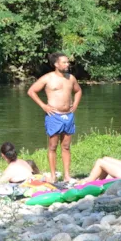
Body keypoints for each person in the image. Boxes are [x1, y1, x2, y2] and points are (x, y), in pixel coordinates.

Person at [27, 52, 83, 183]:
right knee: (52, 146)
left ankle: (67, 175)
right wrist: (43, 106)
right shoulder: (47, 78)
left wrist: (75, 104)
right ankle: (53, 176)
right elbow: (31, 91)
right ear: (56, 64)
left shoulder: (71, 78)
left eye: (67, 62)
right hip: (54, 115)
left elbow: (78, 91)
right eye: (64, 62)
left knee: (66, 146)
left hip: (68, 116)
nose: (67, 64)